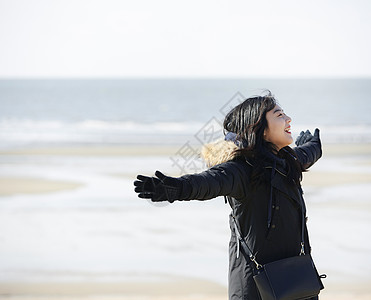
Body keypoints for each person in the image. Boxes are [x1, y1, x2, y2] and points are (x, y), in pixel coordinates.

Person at [134, 92, 322, 300]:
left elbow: (307, 153)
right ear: (259, 128)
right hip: (255, 285)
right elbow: (207, 182)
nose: (288, 119)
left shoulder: (288, 161)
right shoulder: (241, 170)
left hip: (296, 280)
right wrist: (175, 188)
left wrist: (315, 145)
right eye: (279, 115)